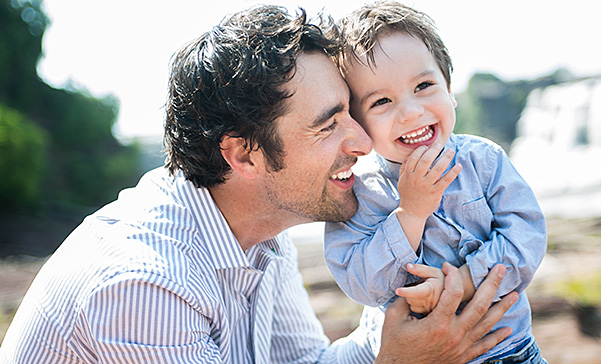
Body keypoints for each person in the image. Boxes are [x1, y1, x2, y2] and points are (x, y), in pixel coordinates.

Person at [0, 4, 518, 364]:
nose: (363, 142)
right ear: (243, 154)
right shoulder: (148, 284)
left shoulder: (259, 232)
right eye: (329, 122)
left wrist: (404, 329)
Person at [324, 1, 548, 363]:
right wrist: (409, 215)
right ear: (358, 122)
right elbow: (362, 284)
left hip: (509, 350)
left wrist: (462, 282)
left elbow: (528, 234)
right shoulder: (358, 193)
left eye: (424, 85)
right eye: (382, 101)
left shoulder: (484, 160)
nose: (411, 112)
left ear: (449, 88)